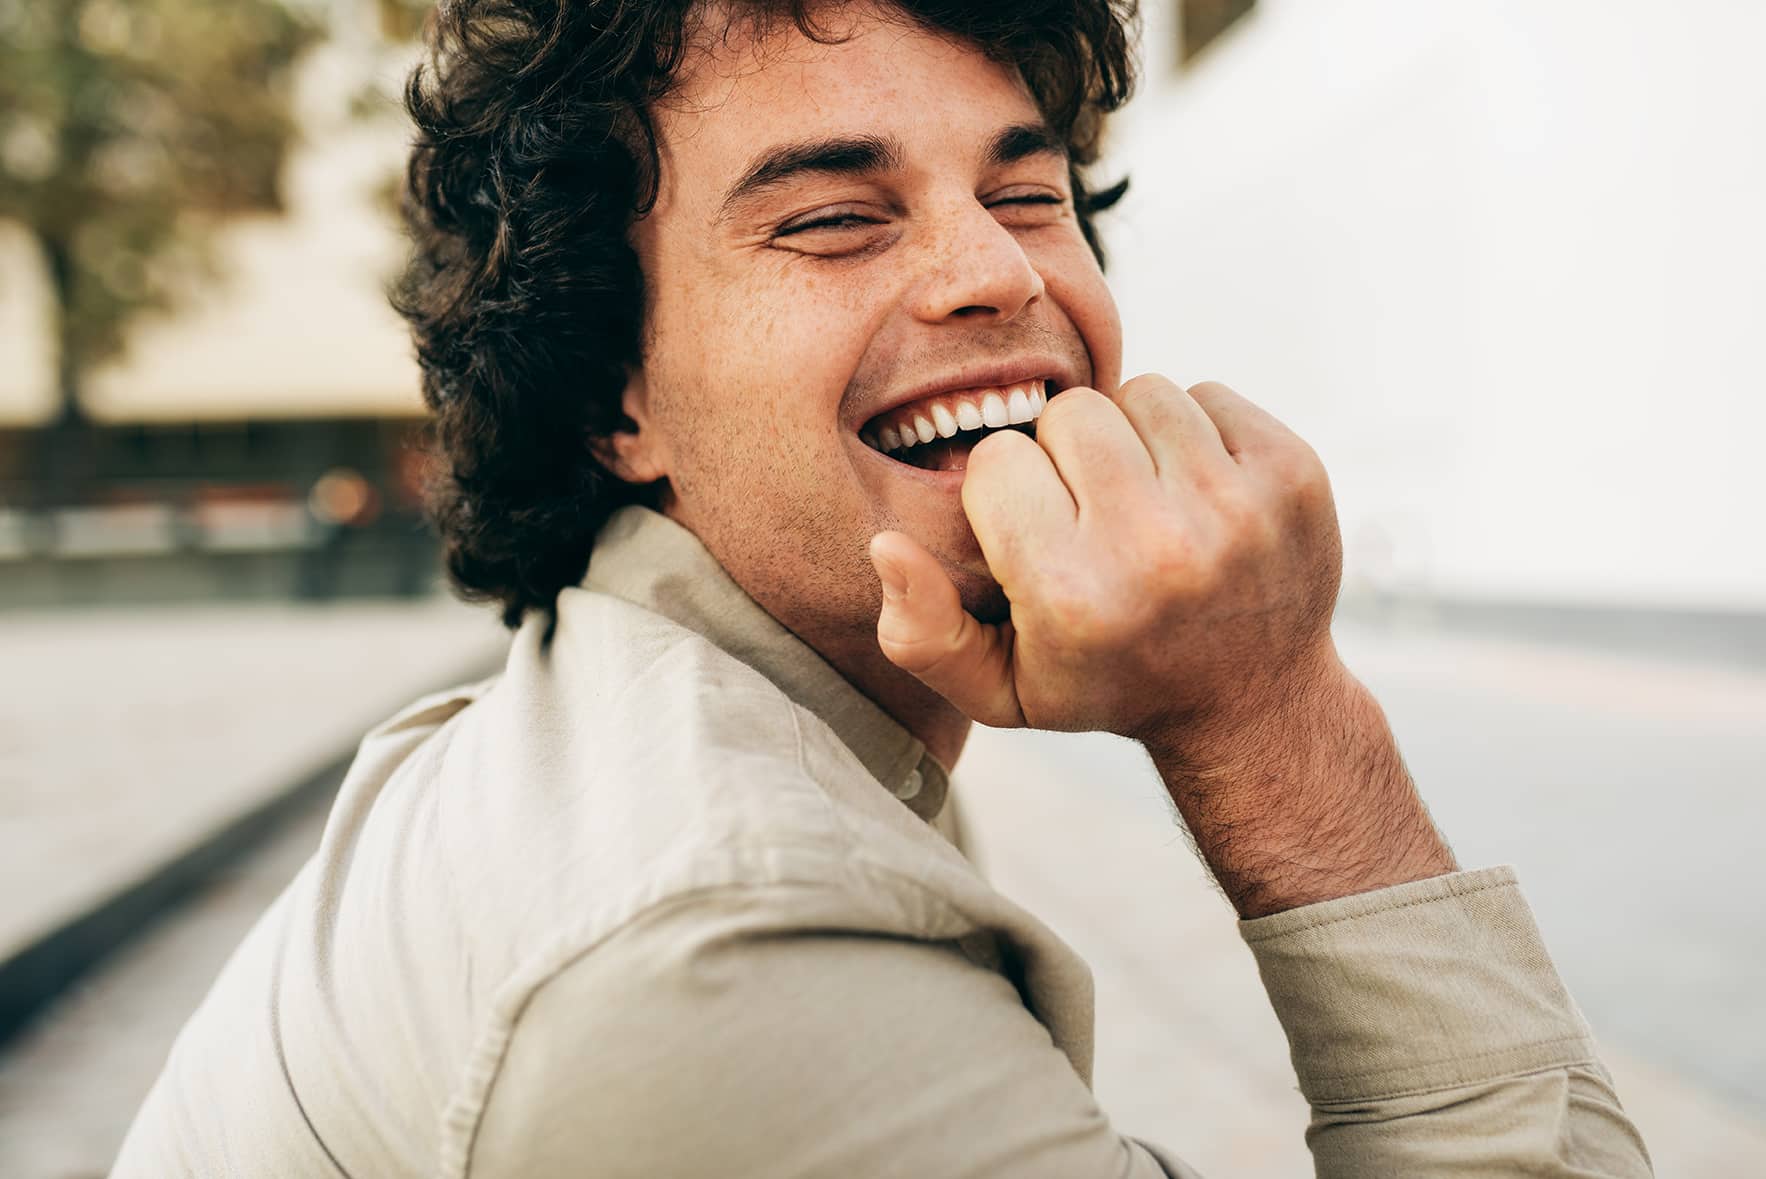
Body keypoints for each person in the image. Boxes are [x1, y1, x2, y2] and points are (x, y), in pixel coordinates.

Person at [114, 1, 1654, 1175]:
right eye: (836, 216)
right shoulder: (726, 941)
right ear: (611, 399)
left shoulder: (671, 728)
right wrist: (1267, 715)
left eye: (1029, 193)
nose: (994, 272)